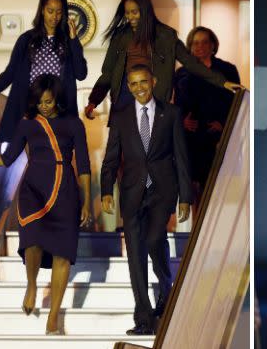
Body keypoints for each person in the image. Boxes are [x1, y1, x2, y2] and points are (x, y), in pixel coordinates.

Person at [0, 74, 92, 334]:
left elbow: (83, 164)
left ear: (57, 98)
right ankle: (32, 284)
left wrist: (86, 203)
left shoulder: (74, 124)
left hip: (65, 189)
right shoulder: (27, 125)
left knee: (63, 254)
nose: (44, 106)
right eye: (40, 102)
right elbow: (6, 160)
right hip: (34, 189)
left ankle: (53, 315)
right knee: (33, 240)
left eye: (48, 101)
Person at [100, 64, 192, 335]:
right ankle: (143, 319)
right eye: (133, 84)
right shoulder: (121, 116)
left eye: (143, 82)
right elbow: (111, 157)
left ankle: (165, 288)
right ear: (129, 86)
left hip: (162, 190)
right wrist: (106, 189)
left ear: (153, 82)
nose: (139, 88)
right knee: (135, 257)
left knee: (154, 239)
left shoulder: (171, 113)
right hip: (131, 192)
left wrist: (185, 197)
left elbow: (181, 157)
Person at [84, 0, 240, 124]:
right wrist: (94, 100)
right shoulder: (120, 36)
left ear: (145, 11)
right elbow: (108, 72)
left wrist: (223, 82)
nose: (130, 17)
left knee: (150, 148)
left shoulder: (166, 36)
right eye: (127, 13)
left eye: (134, 12)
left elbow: (191, 62)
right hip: (124, 94)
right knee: (123, 149)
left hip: (152, 94)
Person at [0, 0, 87, 143]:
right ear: (42, 11)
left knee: (56, 156)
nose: (54, 16)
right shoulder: (26, 40)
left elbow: (81, 73)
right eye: (50, 11)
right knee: (34, 160)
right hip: (30, 108)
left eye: (59, 12)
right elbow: (9, 74)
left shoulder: (68, 41)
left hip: (58, 109)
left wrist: (73, 40)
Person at [173, 26, 240, 187]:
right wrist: (181, 121)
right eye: (195, 43)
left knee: (214, 187)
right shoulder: (182, 73)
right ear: (190, 47)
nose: (199, 46)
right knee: (190, 188)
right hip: (190, 137)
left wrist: (224, 124)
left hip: (216, 137)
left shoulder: (227, 70)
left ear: (212, 45)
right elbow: (176, 104)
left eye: (204, 42)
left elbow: (237, 102)